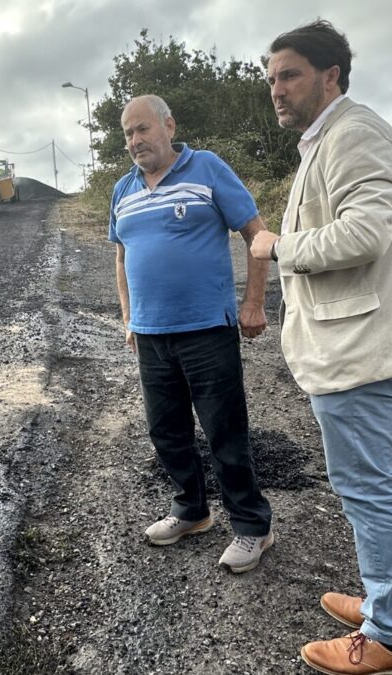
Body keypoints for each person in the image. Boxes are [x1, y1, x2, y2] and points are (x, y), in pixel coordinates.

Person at [250, 20, 392, 674]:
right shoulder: (328, 139)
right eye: (271, 77)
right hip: (356, 343)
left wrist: (281, 247)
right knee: (381, 482)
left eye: (290, 74)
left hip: (357, 348)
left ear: (331, 74)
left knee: (367, 488)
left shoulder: (353, 133)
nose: (276, 88)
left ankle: (390, 638)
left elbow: (365, 233)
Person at [111, 94, 274, 573]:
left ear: (168, 125)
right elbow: (120, 258)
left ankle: (252, 526)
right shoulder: (122, 189)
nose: (135, 141)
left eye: (142, 129)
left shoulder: (206, 169)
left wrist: (254, 302)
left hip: (207, 330)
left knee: (225, 431)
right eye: (127, 135)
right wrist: (128, 318)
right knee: (167, 431)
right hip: (151, 334)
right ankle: (192, 511)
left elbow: (255, 232)